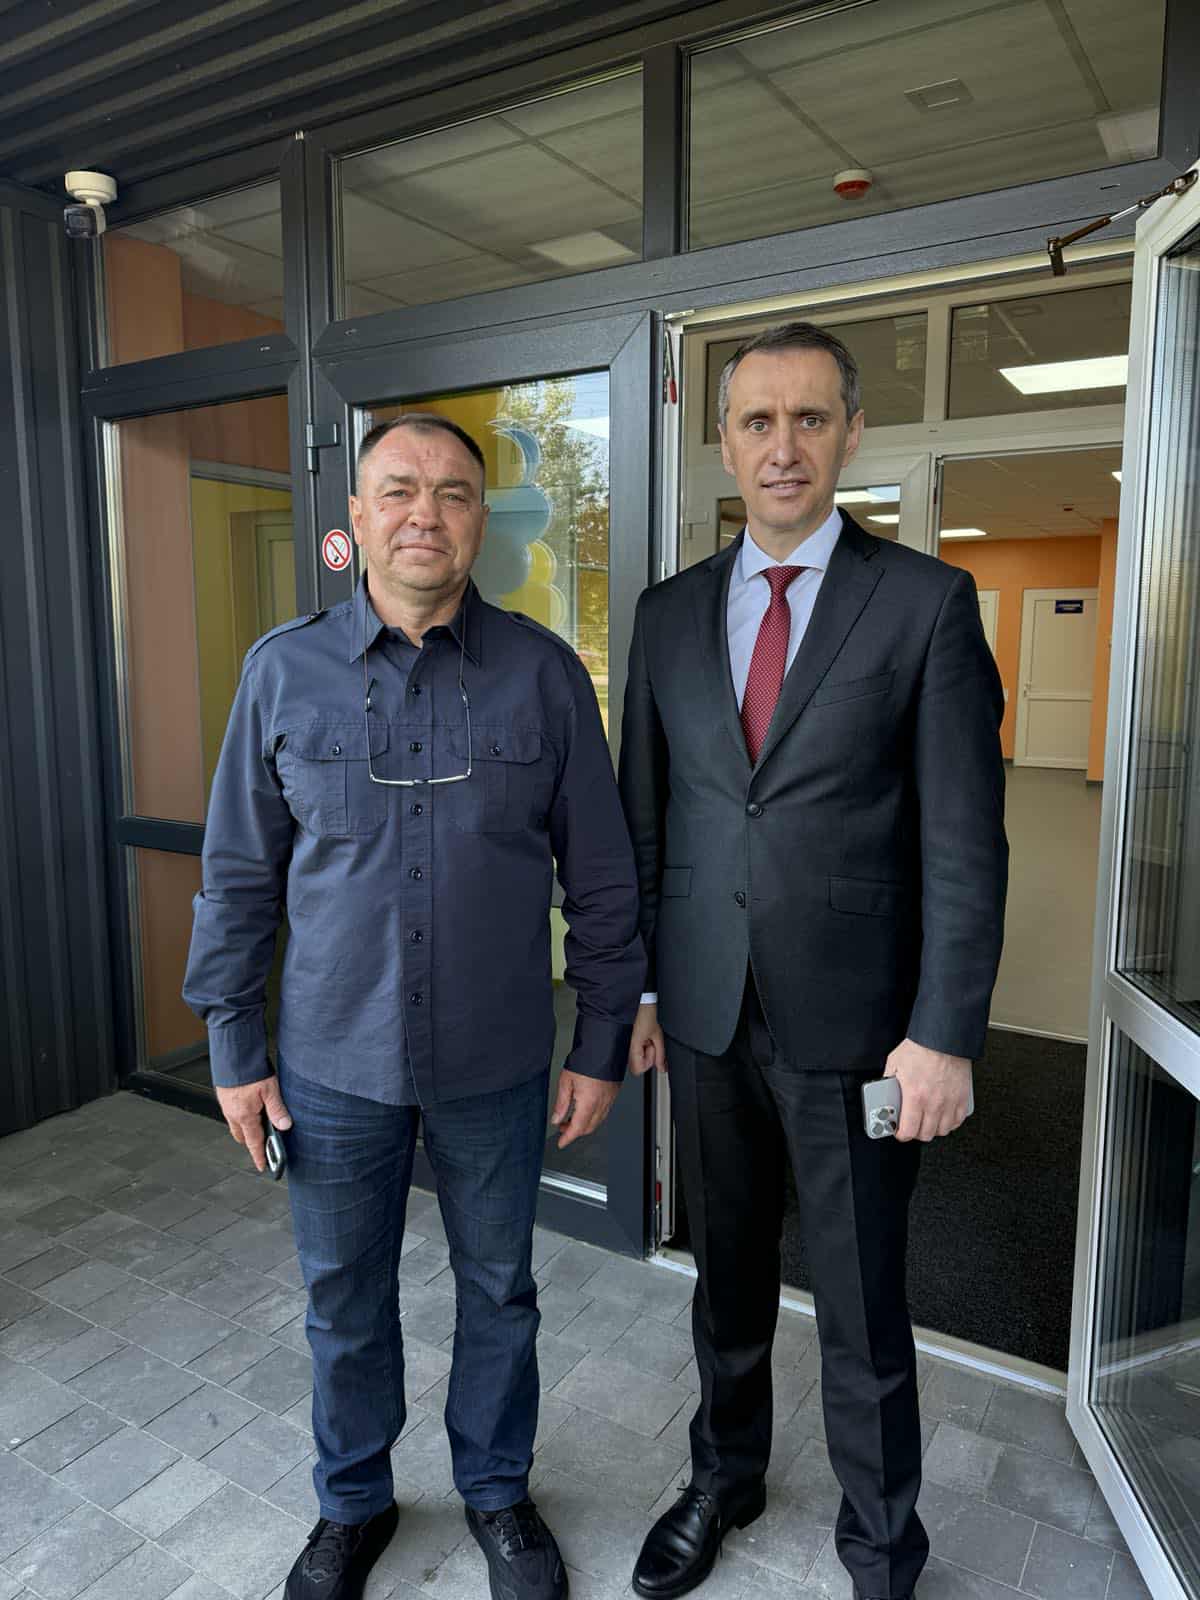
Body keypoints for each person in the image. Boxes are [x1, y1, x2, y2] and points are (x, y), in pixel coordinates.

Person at [183, 412, 645, 1600]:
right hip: (331, 1064)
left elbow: (601, 879)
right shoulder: (282, 672)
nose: (423, 514)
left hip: (497, 1060)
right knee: (344, 1301)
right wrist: (234, 1046)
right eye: (398, 489)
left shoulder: (544, 674)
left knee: (500, 1290)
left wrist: (600, 1040)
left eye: (451, 492)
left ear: (480, 518)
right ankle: (354, 1502)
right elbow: (237, 878)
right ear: (358, 515)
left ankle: (496, 1489)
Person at [618, 322, 1007, 1600]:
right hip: (707, 1014)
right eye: (757, 421)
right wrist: (642, 990)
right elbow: (646, 823)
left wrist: (944, 1030)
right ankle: (723, 1477)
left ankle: (882, 1548)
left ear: (851, 433)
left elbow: (965, 842)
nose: (782, 445)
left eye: (809, 418)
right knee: (723, 1279)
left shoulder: (925, 603)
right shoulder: (667, 615)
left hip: (862, 1027)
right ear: (723, 442)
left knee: (860, 1300)